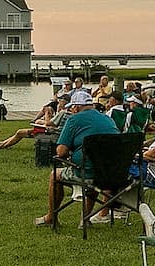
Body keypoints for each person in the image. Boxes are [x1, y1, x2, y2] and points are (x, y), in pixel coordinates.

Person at [39, 90, 118, 230]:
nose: (70, 110)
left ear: (75, 107)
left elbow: (61, 151)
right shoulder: (108, 119)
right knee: (94, 167)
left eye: (71, 108)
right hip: (111, 173)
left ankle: (51, 217)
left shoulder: (74, 119)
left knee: (54, 175)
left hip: (87, 173)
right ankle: (85, 219)